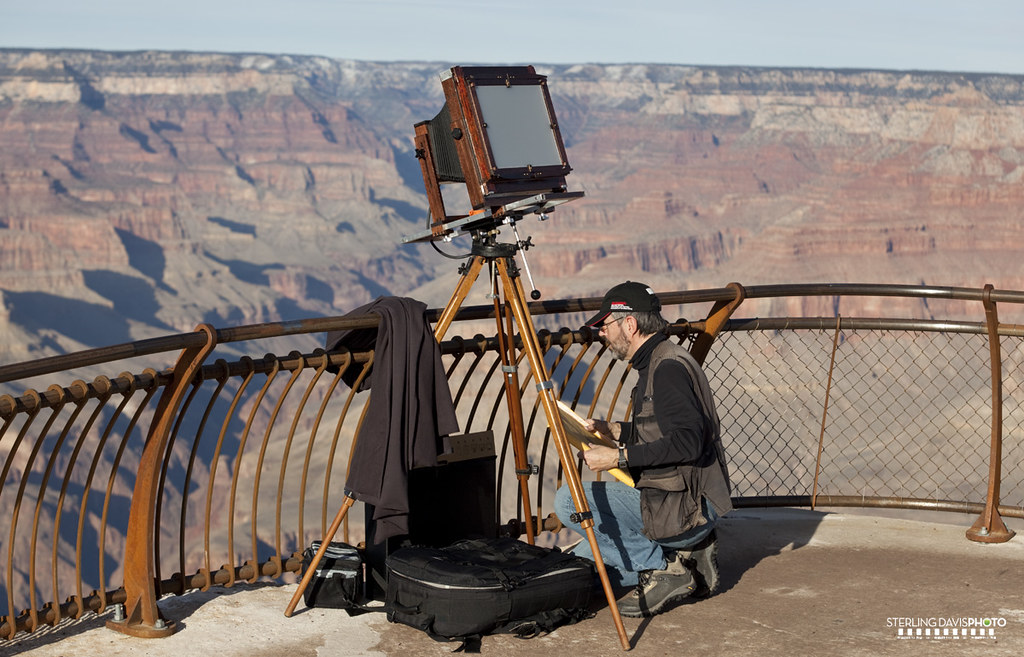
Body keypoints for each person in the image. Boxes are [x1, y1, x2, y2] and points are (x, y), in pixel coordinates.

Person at [555, 281, 733, 617]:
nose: (602, 335)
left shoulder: (666, 370)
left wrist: (617, 457)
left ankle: (665, 569)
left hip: (685, 508)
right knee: (585, 567)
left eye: (605, 326)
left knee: (568, 500)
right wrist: (616, 430)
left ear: (629, 324)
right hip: (682, 502)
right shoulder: (660, 359)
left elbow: (688, 441)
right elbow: (665, 430)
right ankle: (690, 554)